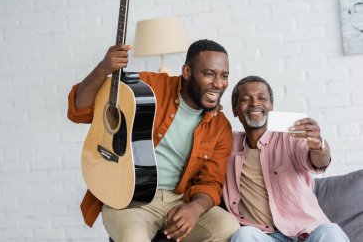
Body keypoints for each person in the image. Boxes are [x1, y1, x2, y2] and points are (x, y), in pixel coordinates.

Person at [67, 39, 239, 242]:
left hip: (179, 200)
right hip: (128, 199)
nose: (218, 84)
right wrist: (103, 69)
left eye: (224, 76)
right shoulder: (148, 87)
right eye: (209, 74)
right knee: (134, 238)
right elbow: (79, 112)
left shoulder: (220, 126)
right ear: (187, 72)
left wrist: (195, 208)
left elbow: (211, 181)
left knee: (228, 227)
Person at [223, 75, 350, 242]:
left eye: (262, 98)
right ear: (234, 109)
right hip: (264, 236)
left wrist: (318, 145)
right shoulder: (225, 144)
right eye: (246, 99)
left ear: (271, 107)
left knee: (331, 231)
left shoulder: (290, 137)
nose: (255, 103)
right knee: (243, 235)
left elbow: (319, 161)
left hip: (307, 233)